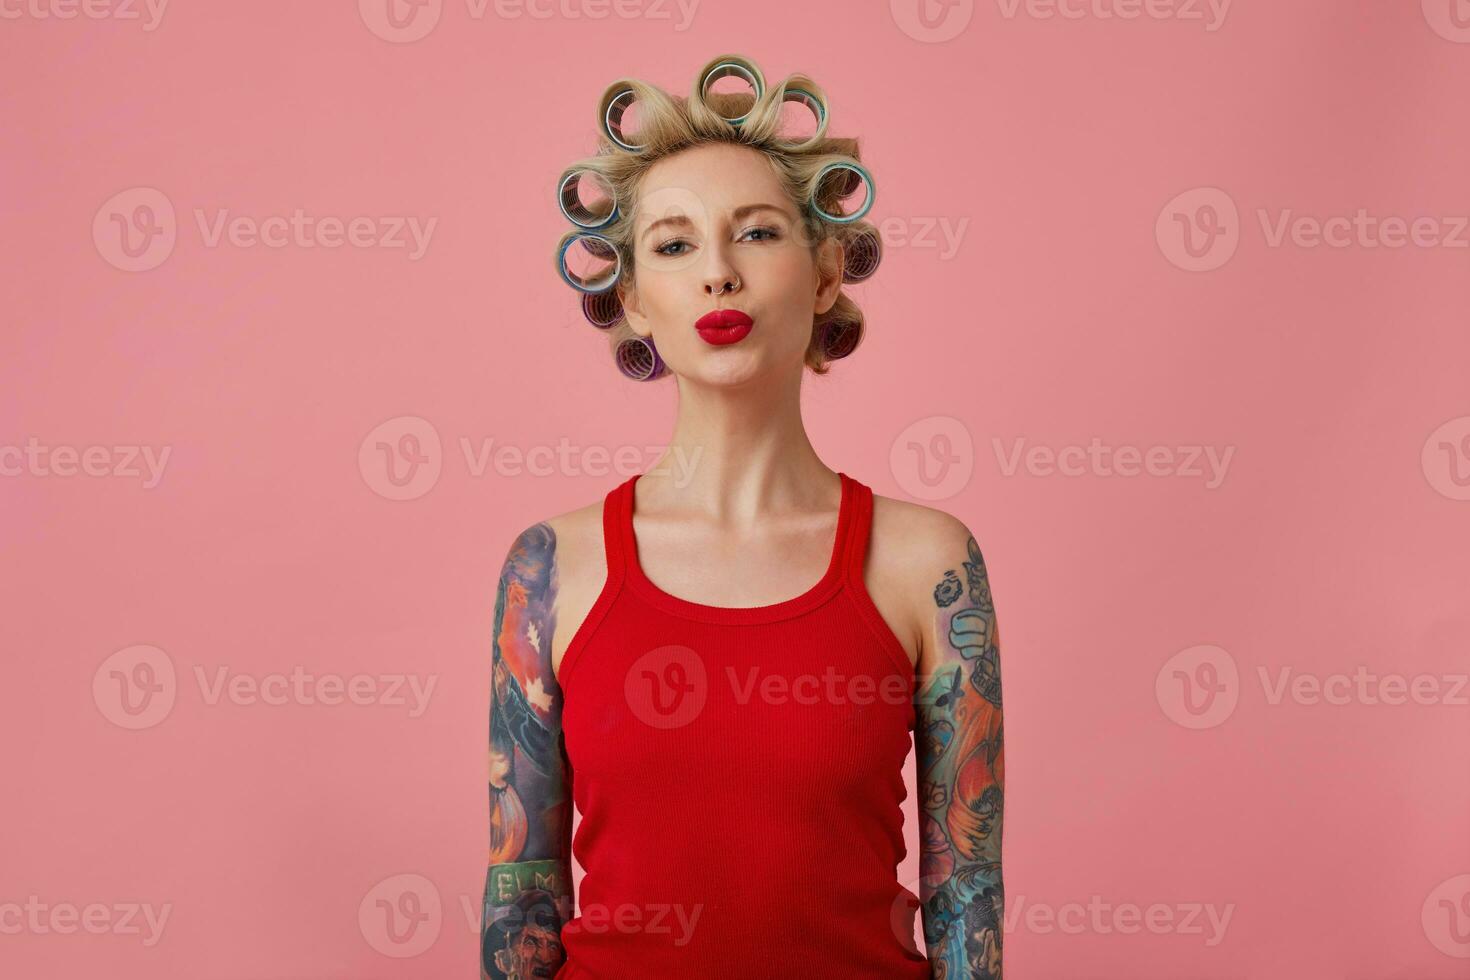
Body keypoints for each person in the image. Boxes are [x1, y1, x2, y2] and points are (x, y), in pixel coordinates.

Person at [481, 54, 1005, 979]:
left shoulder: (927, 562)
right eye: (675, 245)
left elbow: (968, 898)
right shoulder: (549, 568)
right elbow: (521, 901)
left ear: (825, 273)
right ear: (635, 299)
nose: (718, 274)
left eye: (757, 234)